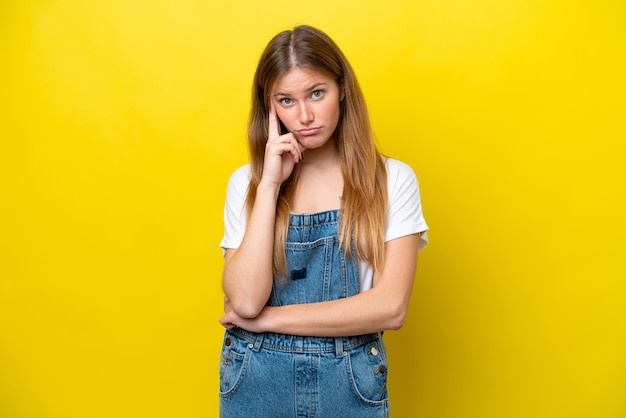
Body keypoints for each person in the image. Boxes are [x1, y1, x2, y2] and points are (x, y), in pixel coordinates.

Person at [218, 25, 428, 418]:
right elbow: (245, 299)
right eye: (286, 100)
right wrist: (269, 186)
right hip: (256, 379)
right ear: (269, 106)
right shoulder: (247, 184)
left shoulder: (392, 179)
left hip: (349, 381)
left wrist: (268, 320)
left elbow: (390, 308)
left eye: (317, 93)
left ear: (342, 88)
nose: (305, 116)